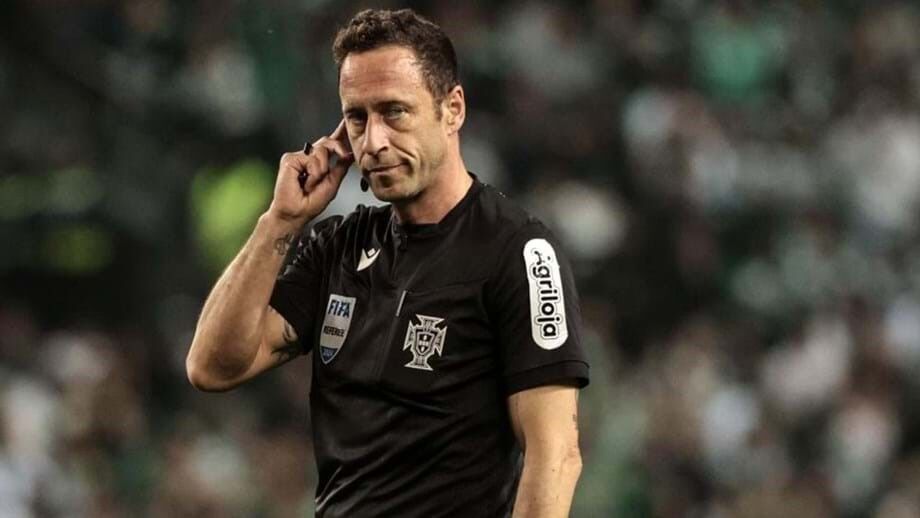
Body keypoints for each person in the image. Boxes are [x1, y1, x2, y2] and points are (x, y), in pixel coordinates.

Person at [186, 8, 589, 517]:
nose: (373, 142)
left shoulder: (518, 252)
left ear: (452, 109)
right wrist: (280, 221)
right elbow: (212, 366)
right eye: (357, 118)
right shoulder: (336, 247)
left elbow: (555, 457)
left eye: (394, 112)